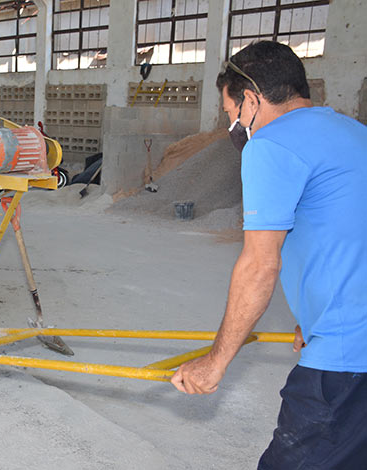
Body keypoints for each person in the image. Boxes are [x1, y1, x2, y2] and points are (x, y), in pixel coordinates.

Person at [170, 41, 367, 468]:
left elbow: (260, 263)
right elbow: (348, 232)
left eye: (231, 113)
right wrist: (315, 316)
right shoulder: (355, 134)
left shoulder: (272, 144)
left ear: (253, 100)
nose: (234, 126)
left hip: (346, 360)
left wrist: (214, 362)